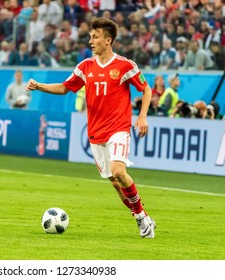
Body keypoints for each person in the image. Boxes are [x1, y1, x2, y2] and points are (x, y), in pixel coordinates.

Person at [26, 17, 156, 238]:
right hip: (96, 133)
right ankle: (141, 215)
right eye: (90, 36)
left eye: (95, 37)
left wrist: (142, 117)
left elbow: (146, 89)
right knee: (115, 182)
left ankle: (141, 218)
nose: (90, 41)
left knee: (118, 171)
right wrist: (39, 86)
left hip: (119, 128)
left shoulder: (125, 65)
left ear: (108, 40)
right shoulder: (85, 67)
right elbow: (65, 88)